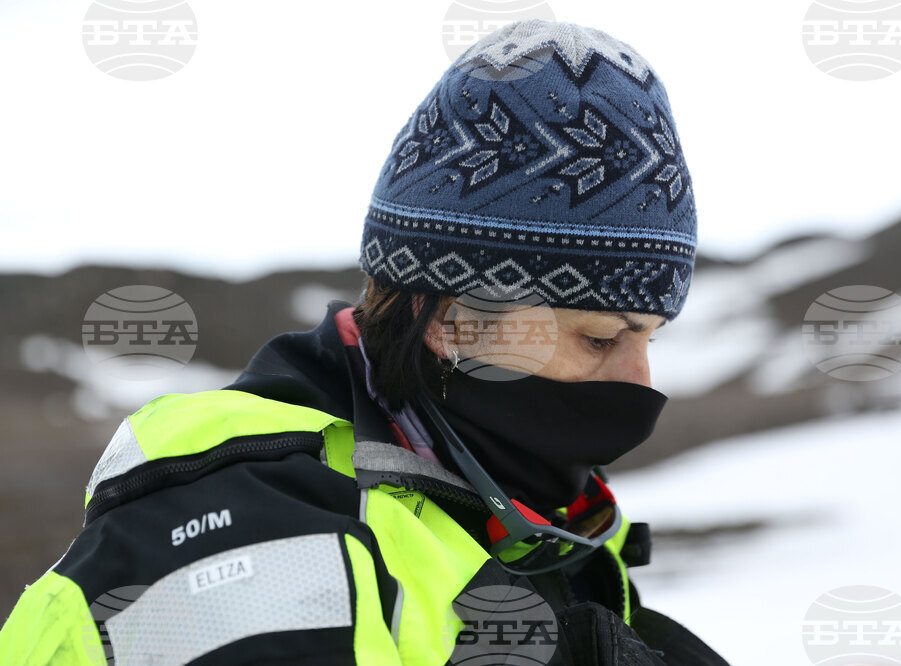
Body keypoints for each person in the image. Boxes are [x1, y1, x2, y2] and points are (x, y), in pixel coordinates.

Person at [0, 19, 728, 665]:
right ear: (449, 319)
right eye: (601, 339)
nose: (640, 383)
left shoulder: (526, 514)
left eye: (649, 338)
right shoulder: (264, 542)